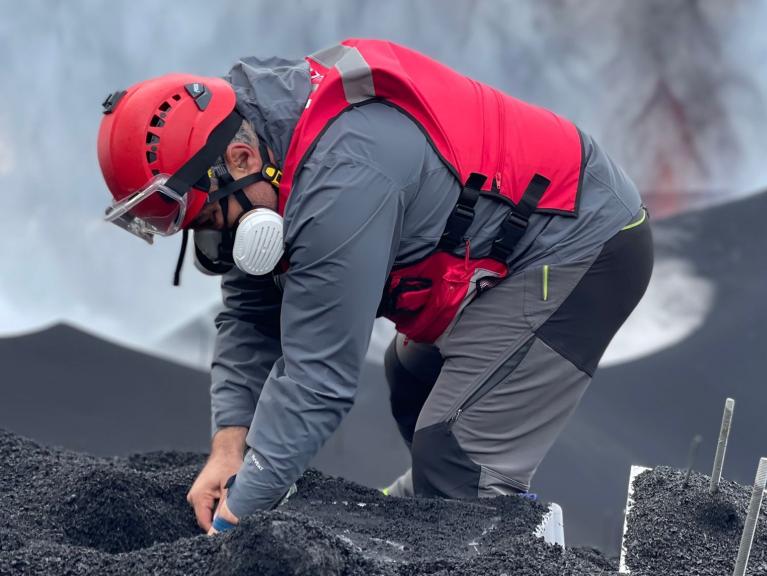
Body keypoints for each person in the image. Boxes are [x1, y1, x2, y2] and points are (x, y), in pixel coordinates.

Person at [96, 39, 653, 533]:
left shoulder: (342, 180)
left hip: (582, 242)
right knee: (411, 378)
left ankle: (503, 532)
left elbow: (318, 378)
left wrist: (237, 516)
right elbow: (251, 314)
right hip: (501, 246)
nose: (217, 238)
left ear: (240, 158)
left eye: (209, 218)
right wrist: (229, 446)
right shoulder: (258, 140)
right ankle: (434, 510)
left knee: (456, 453)